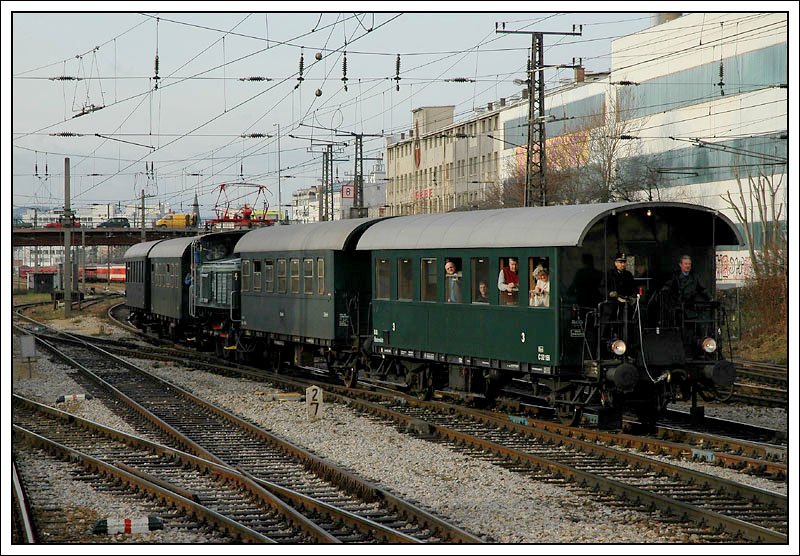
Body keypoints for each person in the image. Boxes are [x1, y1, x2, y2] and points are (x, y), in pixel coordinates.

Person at [602, 253, 635, 342]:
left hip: (624, 307)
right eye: (620, 262)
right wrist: (609, 293)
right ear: (615, 263)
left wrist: (631, 297)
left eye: (624, 262)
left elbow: (632, 289)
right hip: (611, 306)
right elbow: (602, 287)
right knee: (608, 329)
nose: (622, 264)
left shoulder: (628, 275)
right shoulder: (609, 274)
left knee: (625, 329)